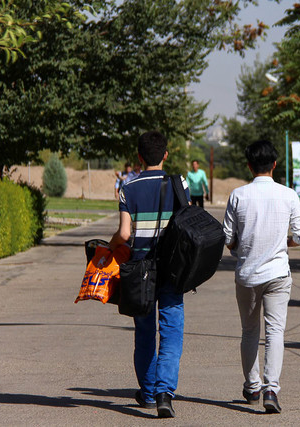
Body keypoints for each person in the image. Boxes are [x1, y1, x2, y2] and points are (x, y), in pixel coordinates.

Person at [222, 140, 300, 414]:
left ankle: (252, 386)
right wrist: (284, 245)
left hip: (247, 275)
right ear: (274, 164)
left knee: (249, 331)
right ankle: (272, 388)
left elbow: (227, 238)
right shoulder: (289, 195)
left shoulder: (238, 195)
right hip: (278, 274)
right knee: (275, 332)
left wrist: (239, 247)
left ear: (249, 165)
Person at [109, 131, 190, 418]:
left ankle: (147, 392)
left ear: (139, 157)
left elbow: (125, 233)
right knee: (170, 331)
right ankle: (165, 393)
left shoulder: (128, 189)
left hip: (140, 271)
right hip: (171, 269)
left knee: (144, 332)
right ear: (166, 155)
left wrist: (111, 245)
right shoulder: (179, 183)